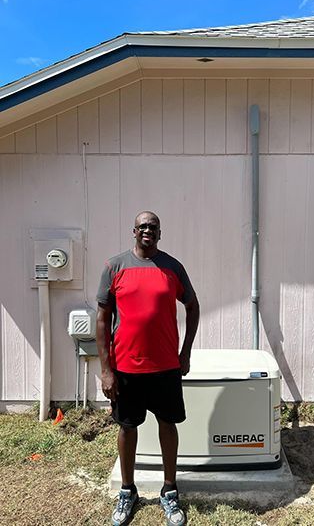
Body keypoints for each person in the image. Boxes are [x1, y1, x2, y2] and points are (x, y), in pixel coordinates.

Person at [96, 211, 199, 526]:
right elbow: (102, 319)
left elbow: (192, 306)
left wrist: (185, 353)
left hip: (166, 366)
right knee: (127, 427)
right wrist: (106, 370)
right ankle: (128, 490)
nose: (147, 230)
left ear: (159, 233)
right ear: (134, 231)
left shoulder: (172, 267)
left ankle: (170, 490)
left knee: (168, 425)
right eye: (142, 226)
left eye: (153, 227)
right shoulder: (114, 267)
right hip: (126, 367)